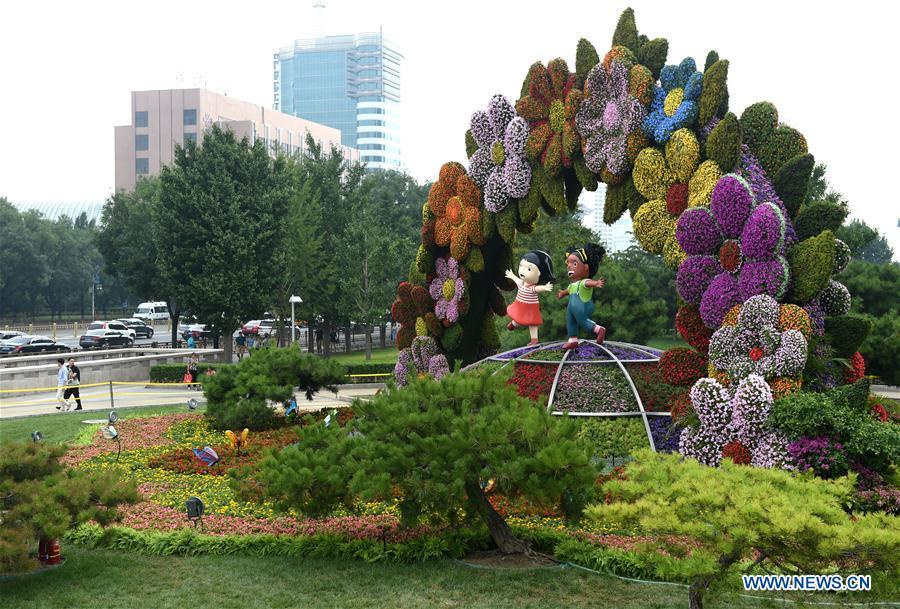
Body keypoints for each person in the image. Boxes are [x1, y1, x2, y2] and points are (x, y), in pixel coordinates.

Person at [556, 243, 607, 349]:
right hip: (572, 308)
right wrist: (562, 293)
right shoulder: (572, 285)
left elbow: (589, 283)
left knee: (582, 321)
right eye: (568, 264)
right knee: (570, 321)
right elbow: (568, 291)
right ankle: (573, 340)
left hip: (582, 307)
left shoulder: (584, 282)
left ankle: (599, 329)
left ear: (586, 267)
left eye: (574, 264)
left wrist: (596, 283)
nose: (569, 266)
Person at [505, 250, 555, 345]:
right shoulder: (521, 283)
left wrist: (544, 287)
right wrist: (512, 276)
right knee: (519, 319)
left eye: (528, 269)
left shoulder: (532, 288)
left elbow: (537, 289)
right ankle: (514, 324)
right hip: (520, 305)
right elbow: (516, 279)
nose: (522, 271)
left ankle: (534, 339)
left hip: (531, 308)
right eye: (521, 266)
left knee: (533, 323)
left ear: (539, 273)